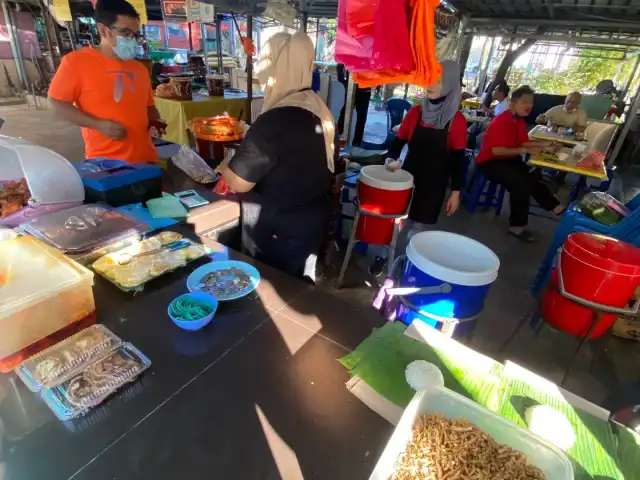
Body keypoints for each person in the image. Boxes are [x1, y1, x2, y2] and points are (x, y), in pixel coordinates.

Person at [215, 32, 337, 283]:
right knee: (299, 289)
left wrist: (226, 166)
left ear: (276, 70)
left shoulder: (275, 120)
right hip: (310, 223)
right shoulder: (318, 107)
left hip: (277, 230)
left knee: (271, 292)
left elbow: (238, 182)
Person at [369, 61, 466, 275]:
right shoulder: (415, 113)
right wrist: (389, 161)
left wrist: (456, 192)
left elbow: (459, 160)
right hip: (407, 180)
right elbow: (398, 143)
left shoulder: (456, 121)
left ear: (450, 84)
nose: (429, 84)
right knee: (396, 223)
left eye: (437, 80)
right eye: (429, 78)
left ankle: (406, 264)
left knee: (418, 228)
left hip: (433, 185)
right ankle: (382, 257)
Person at [48, 0, 165, 163]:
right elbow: (57, 103)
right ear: (103, 30)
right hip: (106, 164)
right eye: (126, 33)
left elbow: (148, 107)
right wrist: (98, 125)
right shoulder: (76, 62)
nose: (132, 39)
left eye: (135, 34)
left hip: (146, 159)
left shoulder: (139, 69)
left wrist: (156, 121)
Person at [475, 85, 564, 243]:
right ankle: (517, 227)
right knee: (520, 182)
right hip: (489, 161)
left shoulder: (519, 121)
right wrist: (523, 149)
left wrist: (546, 145)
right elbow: (497, 151)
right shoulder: (502, 121)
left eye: (531, 102)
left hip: (507, 158)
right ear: (512, 104)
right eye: (524, 102)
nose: (529, 106)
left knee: (531, 174)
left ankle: (554, 206)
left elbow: (524, 142)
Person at [337, 63, 371, 146]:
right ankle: (337, 136)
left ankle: (356, 144)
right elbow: (339, 65)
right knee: (344, 114)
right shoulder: (354, 52)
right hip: (352, 88)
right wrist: (344, 81)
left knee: (361, 118)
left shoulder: (370, 56)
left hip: (365, 90)